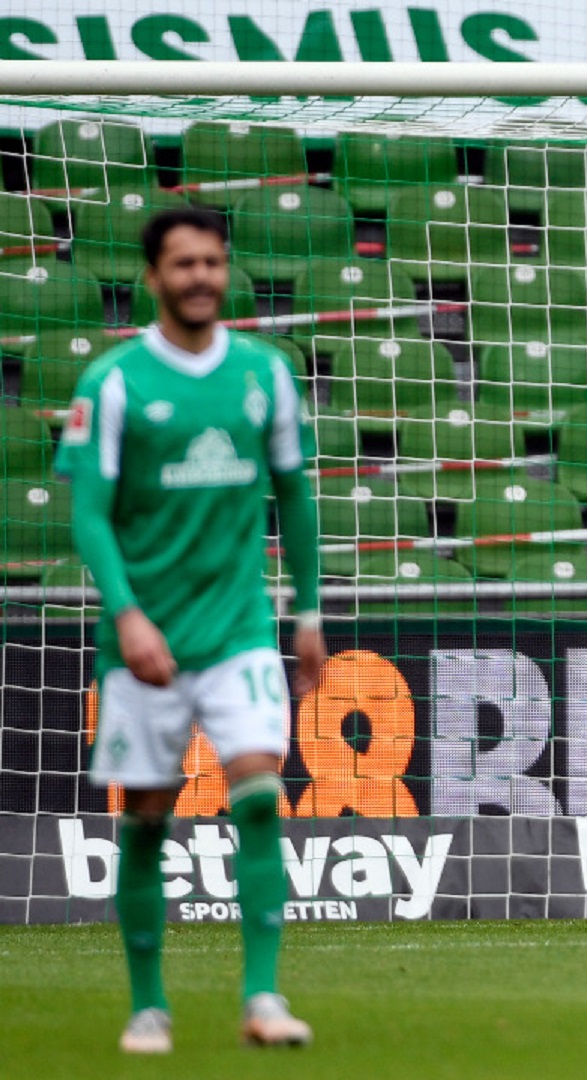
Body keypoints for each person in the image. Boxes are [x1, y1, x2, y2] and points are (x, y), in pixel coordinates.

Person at [57, 207, 327, 1052]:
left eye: (212, 262)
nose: (201, 276)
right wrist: (128, 613)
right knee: (145, 818)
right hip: (144, 645)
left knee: (258, 797)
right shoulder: (112, 383)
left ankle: (263, 997)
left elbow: (297, 495)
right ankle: (148, 1005)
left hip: (241, 630)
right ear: (152, 277)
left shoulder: (266, 374)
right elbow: (91, 517)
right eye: (183, 264)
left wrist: (308, 607)